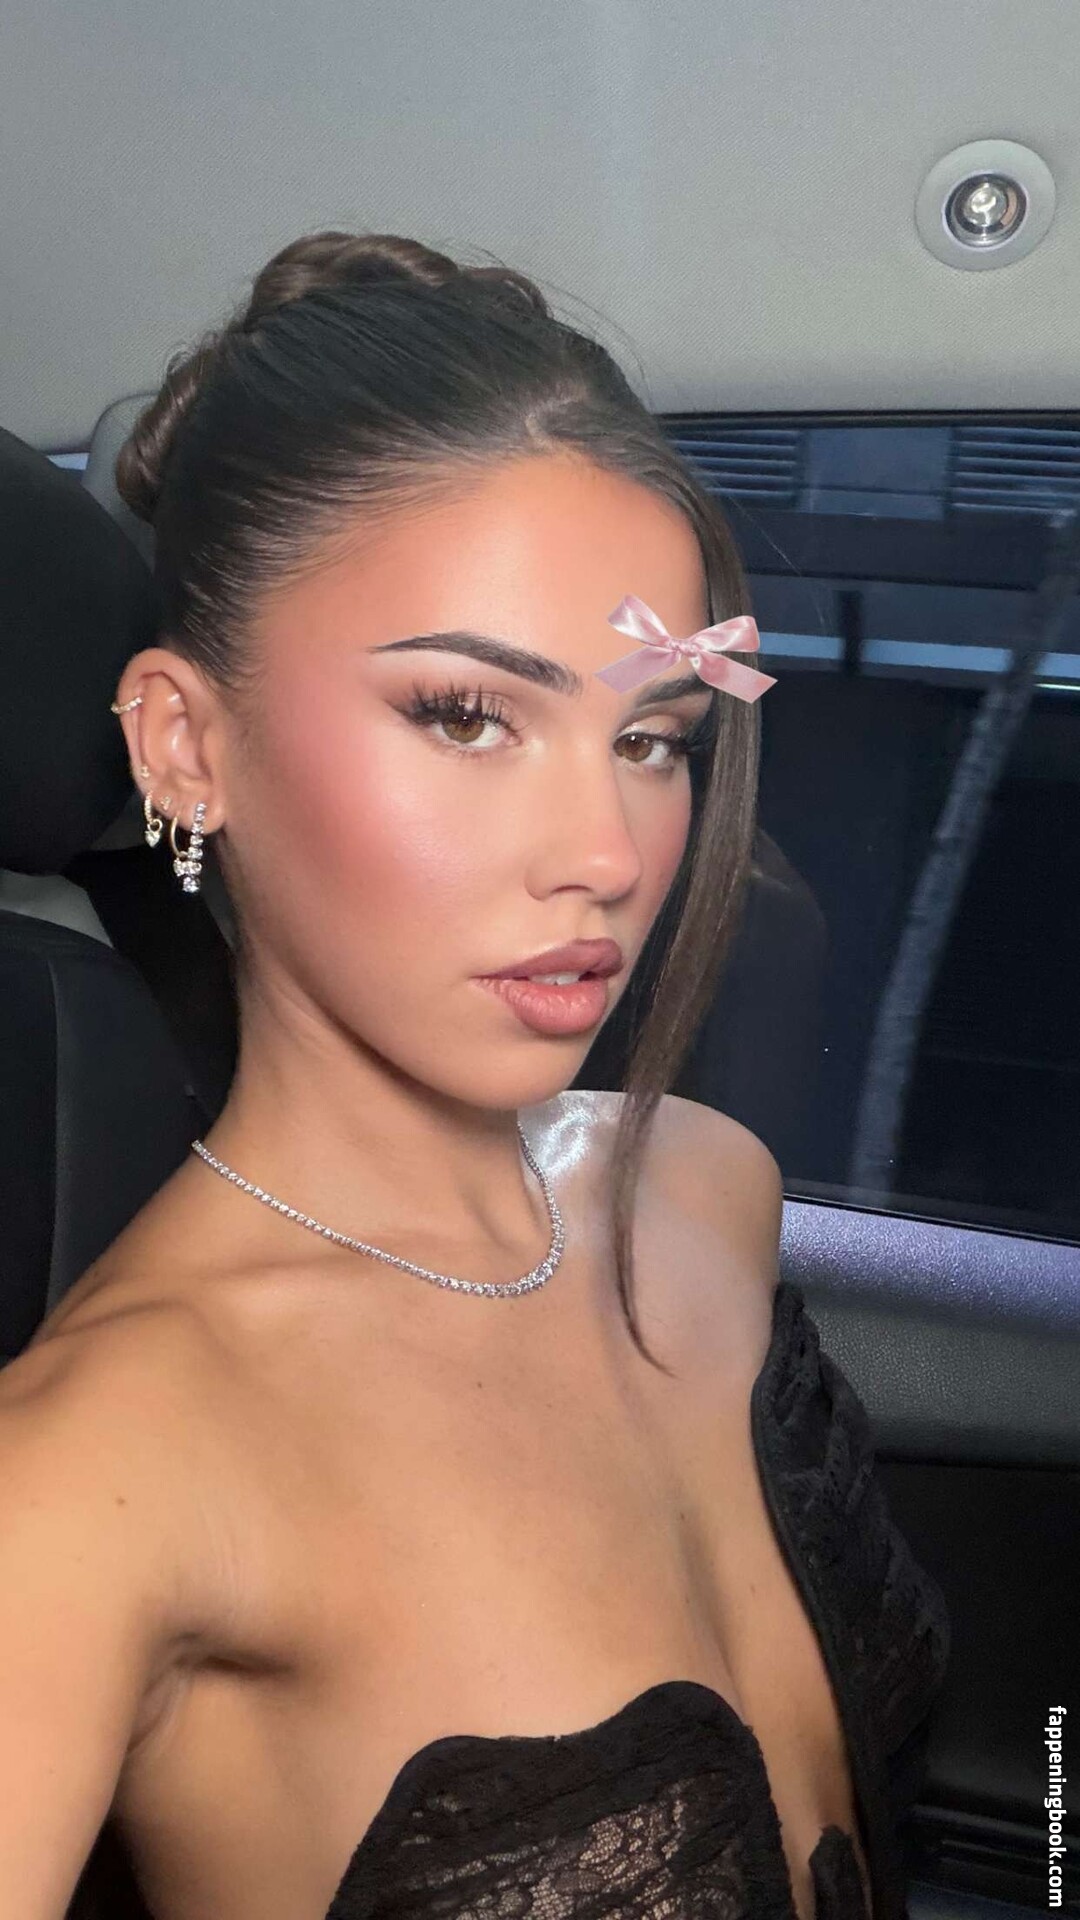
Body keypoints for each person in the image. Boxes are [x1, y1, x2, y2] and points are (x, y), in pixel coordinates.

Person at [0, 231, 949, 1920]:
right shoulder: (101, 1471)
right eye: (464, 717)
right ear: (185, 746)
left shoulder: (704, 1189)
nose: (606, 853)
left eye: (650, 738)